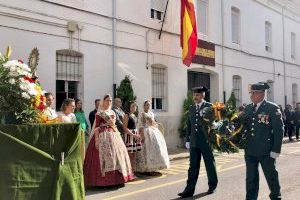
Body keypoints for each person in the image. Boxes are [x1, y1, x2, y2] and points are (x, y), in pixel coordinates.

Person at [240, 82, 283, 200]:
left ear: (262, 94)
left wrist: (276, 150)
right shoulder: (248, 108)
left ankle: (276, 197)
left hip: (266, 151)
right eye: (251, 93)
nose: (252, 95)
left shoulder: (272, 108)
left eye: (255, 93)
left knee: (271, 177)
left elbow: (279, 131)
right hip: (250, 151)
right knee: (251, 179)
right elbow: (242, 127)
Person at [84, 94, 134, 186]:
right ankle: (102, 182)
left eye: (110, 100)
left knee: (117, 156)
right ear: (103, 101)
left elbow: (114, 125)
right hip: (102, 135)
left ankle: (117, 180)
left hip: (113, 135)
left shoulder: (113, 112)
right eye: (107, 100)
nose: (109, 102)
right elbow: (96, 127)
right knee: (103, 158)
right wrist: (97, 139)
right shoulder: (99, 113)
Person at [178, 86, 218, 198]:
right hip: (194, 142)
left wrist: (214, 125)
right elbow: (189, 125)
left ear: (203, 95)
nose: (195, 97)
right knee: (193, 166)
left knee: (209, 164)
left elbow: (216, 121)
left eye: (197, 95)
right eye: (194, 95)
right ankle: (189, 190)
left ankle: (212, 186)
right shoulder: (191, 108)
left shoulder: (209, 107)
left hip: (206, 141)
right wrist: (187, 139)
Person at [136, 100, 170, 173]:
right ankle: (145, 168)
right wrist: (142, 135)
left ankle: (154, 167)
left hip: (153, 131)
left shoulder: (151, 113)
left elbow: (154, 123)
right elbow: (140, 125)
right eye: (146, 105)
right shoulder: (142, 114)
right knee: (146, 150)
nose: (148, 106)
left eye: (149, 105)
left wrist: (154, 124)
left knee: (156, 148)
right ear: (144, 106)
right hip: (145, 131)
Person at [123, 101, 142, 172]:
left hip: (135, 136)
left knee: (134, 156)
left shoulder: (134, 115)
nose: (135, 107)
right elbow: (124, 128)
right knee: (129, 155)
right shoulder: (126, 115)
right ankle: (128, 173)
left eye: (135, 106)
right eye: (133, 106)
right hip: (129, 136)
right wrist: (133, 135)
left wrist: (138, 134)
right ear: (129, 107)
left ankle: (132, 172)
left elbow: (136, 126)